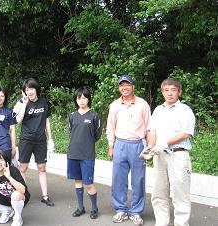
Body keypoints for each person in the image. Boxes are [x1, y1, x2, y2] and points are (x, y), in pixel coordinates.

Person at [149, 78, 195, 226]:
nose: (169, 93)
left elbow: (186, 133)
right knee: (158, 193)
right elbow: (152, 130)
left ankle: (181, 224)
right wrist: (150, 147)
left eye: (173, 90)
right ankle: (161, 223)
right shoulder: (158, 110)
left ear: (179, 92)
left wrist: (164, 143)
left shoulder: (185, 110)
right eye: (166, 90)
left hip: (178, 155)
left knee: (179, 194)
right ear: (162, 92)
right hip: (159, 155)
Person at [106, 75, 151, 225]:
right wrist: (111, 146)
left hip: (138, 145)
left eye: (127, 85)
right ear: (119, 88)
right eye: (121, 85)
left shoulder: (142, 104)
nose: (124, 88)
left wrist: (149, 148)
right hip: (120, 144)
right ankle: (121, 210)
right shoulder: (114, 105)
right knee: (118, 179)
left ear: (133, 87)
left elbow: (149, 127)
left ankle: (136, 212)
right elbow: (110, 126)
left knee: (138, 180)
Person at [15, 78, 55, 206]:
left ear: (36, 89)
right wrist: (25, 104)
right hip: (26, 140)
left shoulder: (44, 102)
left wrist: (51, 139)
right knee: (23, 167)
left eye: (31, 88)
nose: (29, 91)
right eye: (26, 89)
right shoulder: (21, 103)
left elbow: (47, 121)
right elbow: (18, 120)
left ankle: (45, 196)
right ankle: (24, 193)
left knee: (41, 167)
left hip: (40, 140)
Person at [67, 87, 102, 219]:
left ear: (88, 99)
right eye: (78, 98)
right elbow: (71, 132)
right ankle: (80, 207)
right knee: (77, 181)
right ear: (76, 100)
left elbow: (97, 134)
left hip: (87, 155)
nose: (81, 101)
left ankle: (94, 208)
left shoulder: (94, 116)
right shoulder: (72, 116)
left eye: (84, 98)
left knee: (88, 183)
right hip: (73, 154)